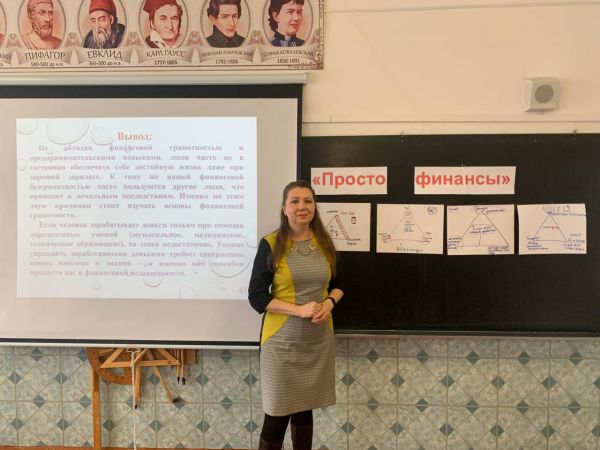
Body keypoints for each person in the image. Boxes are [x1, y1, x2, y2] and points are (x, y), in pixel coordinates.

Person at [249, 180, 345, 450]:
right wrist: (298, 310)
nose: (302, 206)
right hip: (280, 343)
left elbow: (341, 283)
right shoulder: (270, 244)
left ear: (314, 206)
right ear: (284, 208)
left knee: (304, 410)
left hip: (316, 341)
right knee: (276, 416)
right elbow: (257, 296)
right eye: (295, 201)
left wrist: (329, 303)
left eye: (308, 201)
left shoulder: (325, 243)